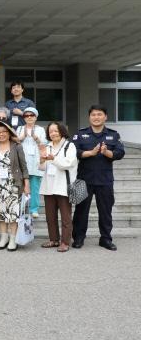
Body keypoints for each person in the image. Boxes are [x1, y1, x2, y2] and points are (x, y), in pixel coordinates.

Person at [72, 105, 125, 251]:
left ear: (105, 117)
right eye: (93, 114)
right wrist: (90, 153)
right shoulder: (80, 134)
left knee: (106, 211)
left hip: (105, 179)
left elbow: (120, 152)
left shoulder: (113, 135)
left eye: (99, 114)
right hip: (82, 179)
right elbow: (73, 151)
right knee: (80, 211)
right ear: (89, 117)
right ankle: (78, 238)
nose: (96, 117)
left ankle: (106, 239)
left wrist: (107, 152)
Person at [0, 121, 30, 252]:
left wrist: (26, 184)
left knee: (13, 212)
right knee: (0, 212)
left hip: (14, 184)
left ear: (9, 133)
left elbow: (24, 166)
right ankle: (4, 237)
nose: (1, 134)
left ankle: (13, 239)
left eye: (4, 131)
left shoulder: (17, 146)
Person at [39, 122, 78, 252]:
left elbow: (68, 164)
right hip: (49, 186)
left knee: (66, 217)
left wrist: (53, 159)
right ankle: (54, 240)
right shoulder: (47, 146)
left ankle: (65, 242)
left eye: (56, 131)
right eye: (50, 131)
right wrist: (42, 160)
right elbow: (42, 168)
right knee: (50, 216)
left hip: (63, 186)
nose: (53, 133)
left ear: (62, 131)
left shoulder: (69, 146)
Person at [16, 107, 47, 217]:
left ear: (36, 117)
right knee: (21, 186)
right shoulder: (20, 128)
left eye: (31, 115)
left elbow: (44, 144)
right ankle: (20, 208)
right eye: (26, 115)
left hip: (36, 161)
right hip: (22, 160)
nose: (29, 117)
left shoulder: (41, 129)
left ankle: (34, 209)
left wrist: (35, 137)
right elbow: (15, 142)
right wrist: (23, 136)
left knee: (35, 186)